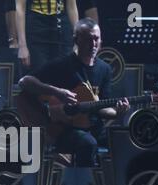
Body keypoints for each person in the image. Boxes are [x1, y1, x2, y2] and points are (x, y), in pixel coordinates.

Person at [18, 18, 129, 167]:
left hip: (94, 128)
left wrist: (117, 112)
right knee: (88, 143)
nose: (93, 44)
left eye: (96, 39)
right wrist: (57, 92)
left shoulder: (105, 69)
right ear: (76, 40)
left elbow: (101, 106)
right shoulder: (62, 65)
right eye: (88, 39)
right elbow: (24, 82)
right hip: (64, 129)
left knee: (124, 140)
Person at [16, 0, 79, 73]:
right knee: (40, 75)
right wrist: (22, 46)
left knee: (63, 74)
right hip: (36, 32)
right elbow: (20, 8)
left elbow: (72, 7)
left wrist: (77, 41)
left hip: (61, 31)